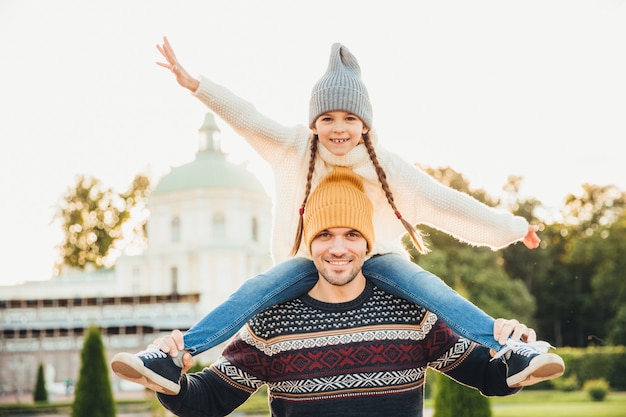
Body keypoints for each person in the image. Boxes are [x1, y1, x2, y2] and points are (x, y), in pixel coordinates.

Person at [111, 37, 563, 394]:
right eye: (327, 119)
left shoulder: (387, 164)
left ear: (365, 124)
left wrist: (513, 227)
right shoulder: (293, 147)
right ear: (313, 124)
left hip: (376, 256)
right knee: (254, 290)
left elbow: (445, 202)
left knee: (432, 289)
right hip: (309, 255)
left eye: (349, 118)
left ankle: (509, 350)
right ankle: (175, 355)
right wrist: (196, 85)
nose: (338, 129)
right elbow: (247, 117)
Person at [149, 168, 556, 417]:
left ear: (368, 243)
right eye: (325, 235)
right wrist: (170, 382)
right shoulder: (272, 324)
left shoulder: (411, 313)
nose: (338, 248)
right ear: (309, 243)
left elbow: (488, 376)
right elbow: (206, 403)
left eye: (351, 235)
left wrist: (514, 350)